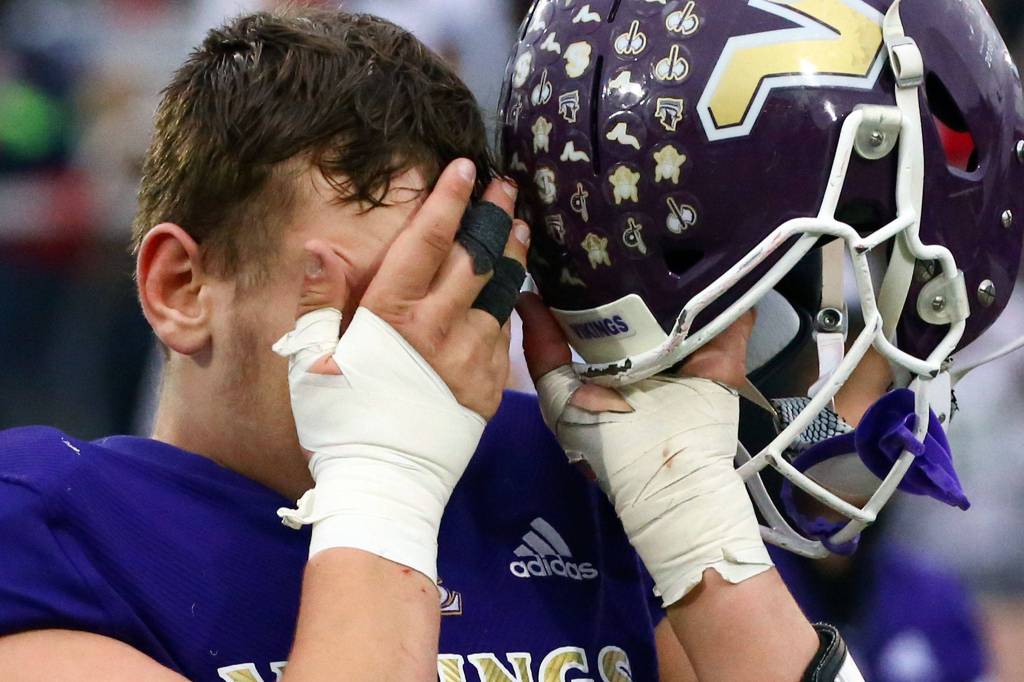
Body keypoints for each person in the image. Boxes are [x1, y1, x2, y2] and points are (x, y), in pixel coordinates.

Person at [0, 8, 849, 681]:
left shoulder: (556, 478)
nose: (430, 347)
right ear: (181, 289)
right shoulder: (55, 527)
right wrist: (383, 486)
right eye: (379, 301)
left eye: (458, 291)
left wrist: (700, 540)